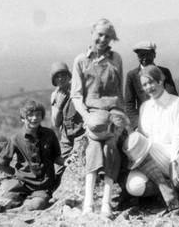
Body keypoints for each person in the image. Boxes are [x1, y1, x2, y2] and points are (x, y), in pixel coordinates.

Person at [71, 18, 125, 218]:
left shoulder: (116, 58)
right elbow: (76, 95)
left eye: (108, 36)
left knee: (110, 146)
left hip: (114, 112)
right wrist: (85, 117)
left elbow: (119, 91)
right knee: (94, 144)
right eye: (99, 34)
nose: (103, 39)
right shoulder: (80, 60)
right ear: (92, 33)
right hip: (93, 114)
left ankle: (105, 202)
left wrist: (121, 117)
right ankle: (88, 202)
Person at [123, 65, 179, 215]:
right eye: (145, 84)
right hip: (152, 160)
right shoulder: (144, 108)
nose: (149, 87)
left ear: (161, 80)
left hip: (177, 158)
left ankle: (170, 195)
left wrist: (174, 168)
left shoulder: (178, 103)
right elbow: (143, 137)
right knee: (134, 186)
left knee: (140, 145)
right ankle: (168, 188)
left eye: (151, 82)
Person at [0, 99, 71, 210]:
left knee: (37, 205)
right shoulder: (15, 139)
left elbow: (56, 157)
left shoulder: (49, 134)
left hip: (42, 186)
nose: (34, 118)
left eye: (38, 115)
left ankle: (26, 205)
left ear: (42, 117)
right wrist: (15, 174)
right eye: (30, 115)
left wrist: (65, 162)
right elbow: (0, 164)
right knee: (6, 202)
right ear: (22, 118)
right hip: (21, 184)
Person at [125, 41, 178, 129]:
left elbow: (173, 96)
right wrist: (137, 125)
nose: (144, 58)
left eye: (148, 54)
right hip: (144, 123)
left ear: (154, 55)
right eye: (141, 55)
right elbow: (129, 104)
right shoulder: (132, 75)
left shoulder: (164, 72)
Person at [50, 62, 85, 188]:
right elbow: (55, 123)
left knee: (75, 162)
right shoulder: (55, 96)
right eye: (57, 76)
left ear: (69, 76)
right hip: (65, 138)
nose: (60, 78)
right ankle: (53, 191)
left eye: (63, 75)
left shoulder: (78, 89)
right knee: (57, 168)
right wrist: (59, 107)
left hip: (80, 134)